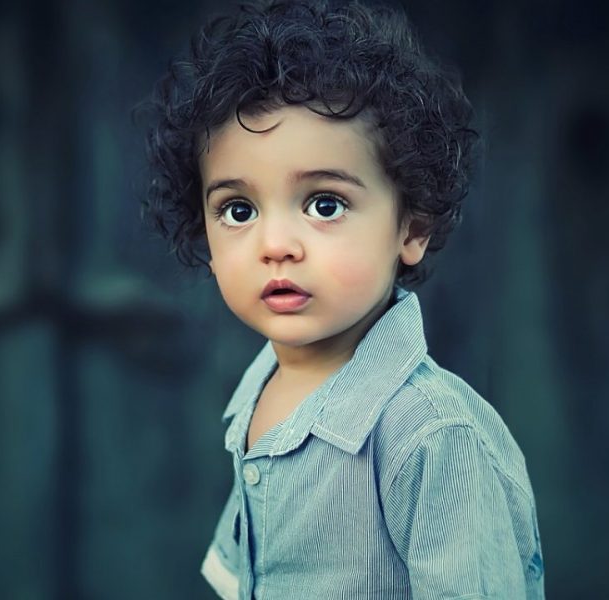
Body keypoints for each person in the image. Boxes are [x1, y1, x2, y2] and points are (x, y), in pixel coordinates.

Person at [140, 1, 544, 598]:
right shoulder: (259, 395)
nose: (275, 245)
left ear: (412, 227)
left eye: (324, 204)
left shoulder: (432, 438)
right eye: (238, 210)